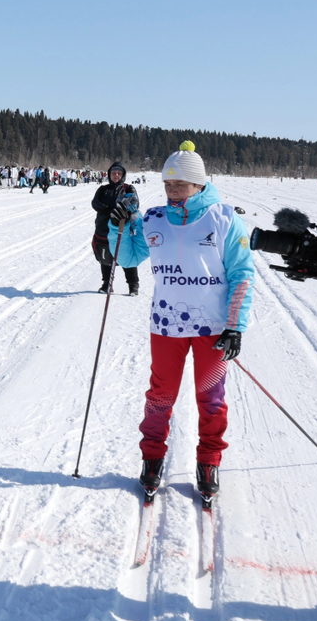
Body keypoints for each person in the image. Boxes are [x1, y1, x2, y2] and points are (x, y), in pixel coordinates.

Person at [108, 141, 253, 505]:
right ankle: (153, 457)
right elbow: (127, 256)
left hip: (212, 329)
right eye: (168, 184)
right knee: (160, 396)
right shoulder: (155, 219)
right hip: (167, 326)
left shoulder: (223, 218)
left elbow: (241, 273)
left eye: (180, 185)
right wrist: (118, 228)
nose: (172, 192)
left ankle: (208, 461)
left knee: (211, 398)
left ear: (199, 184)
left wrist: (235, 325)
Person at [92, 161, 141, 295]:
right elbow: (95, 203)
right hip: (104, 229)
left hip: (123, 229)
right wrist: (109, 210)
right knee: (105, 258)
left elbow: (135, 203)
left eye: (119, 173)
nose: (116, 175)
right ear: (109, 174)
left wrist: (124, 211)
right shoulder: (103, 189)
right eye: (113, 173)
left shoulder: (129, 188)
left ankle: (133, 285)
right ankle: (107, 284)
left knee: (125, 256)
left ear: (123, 175)